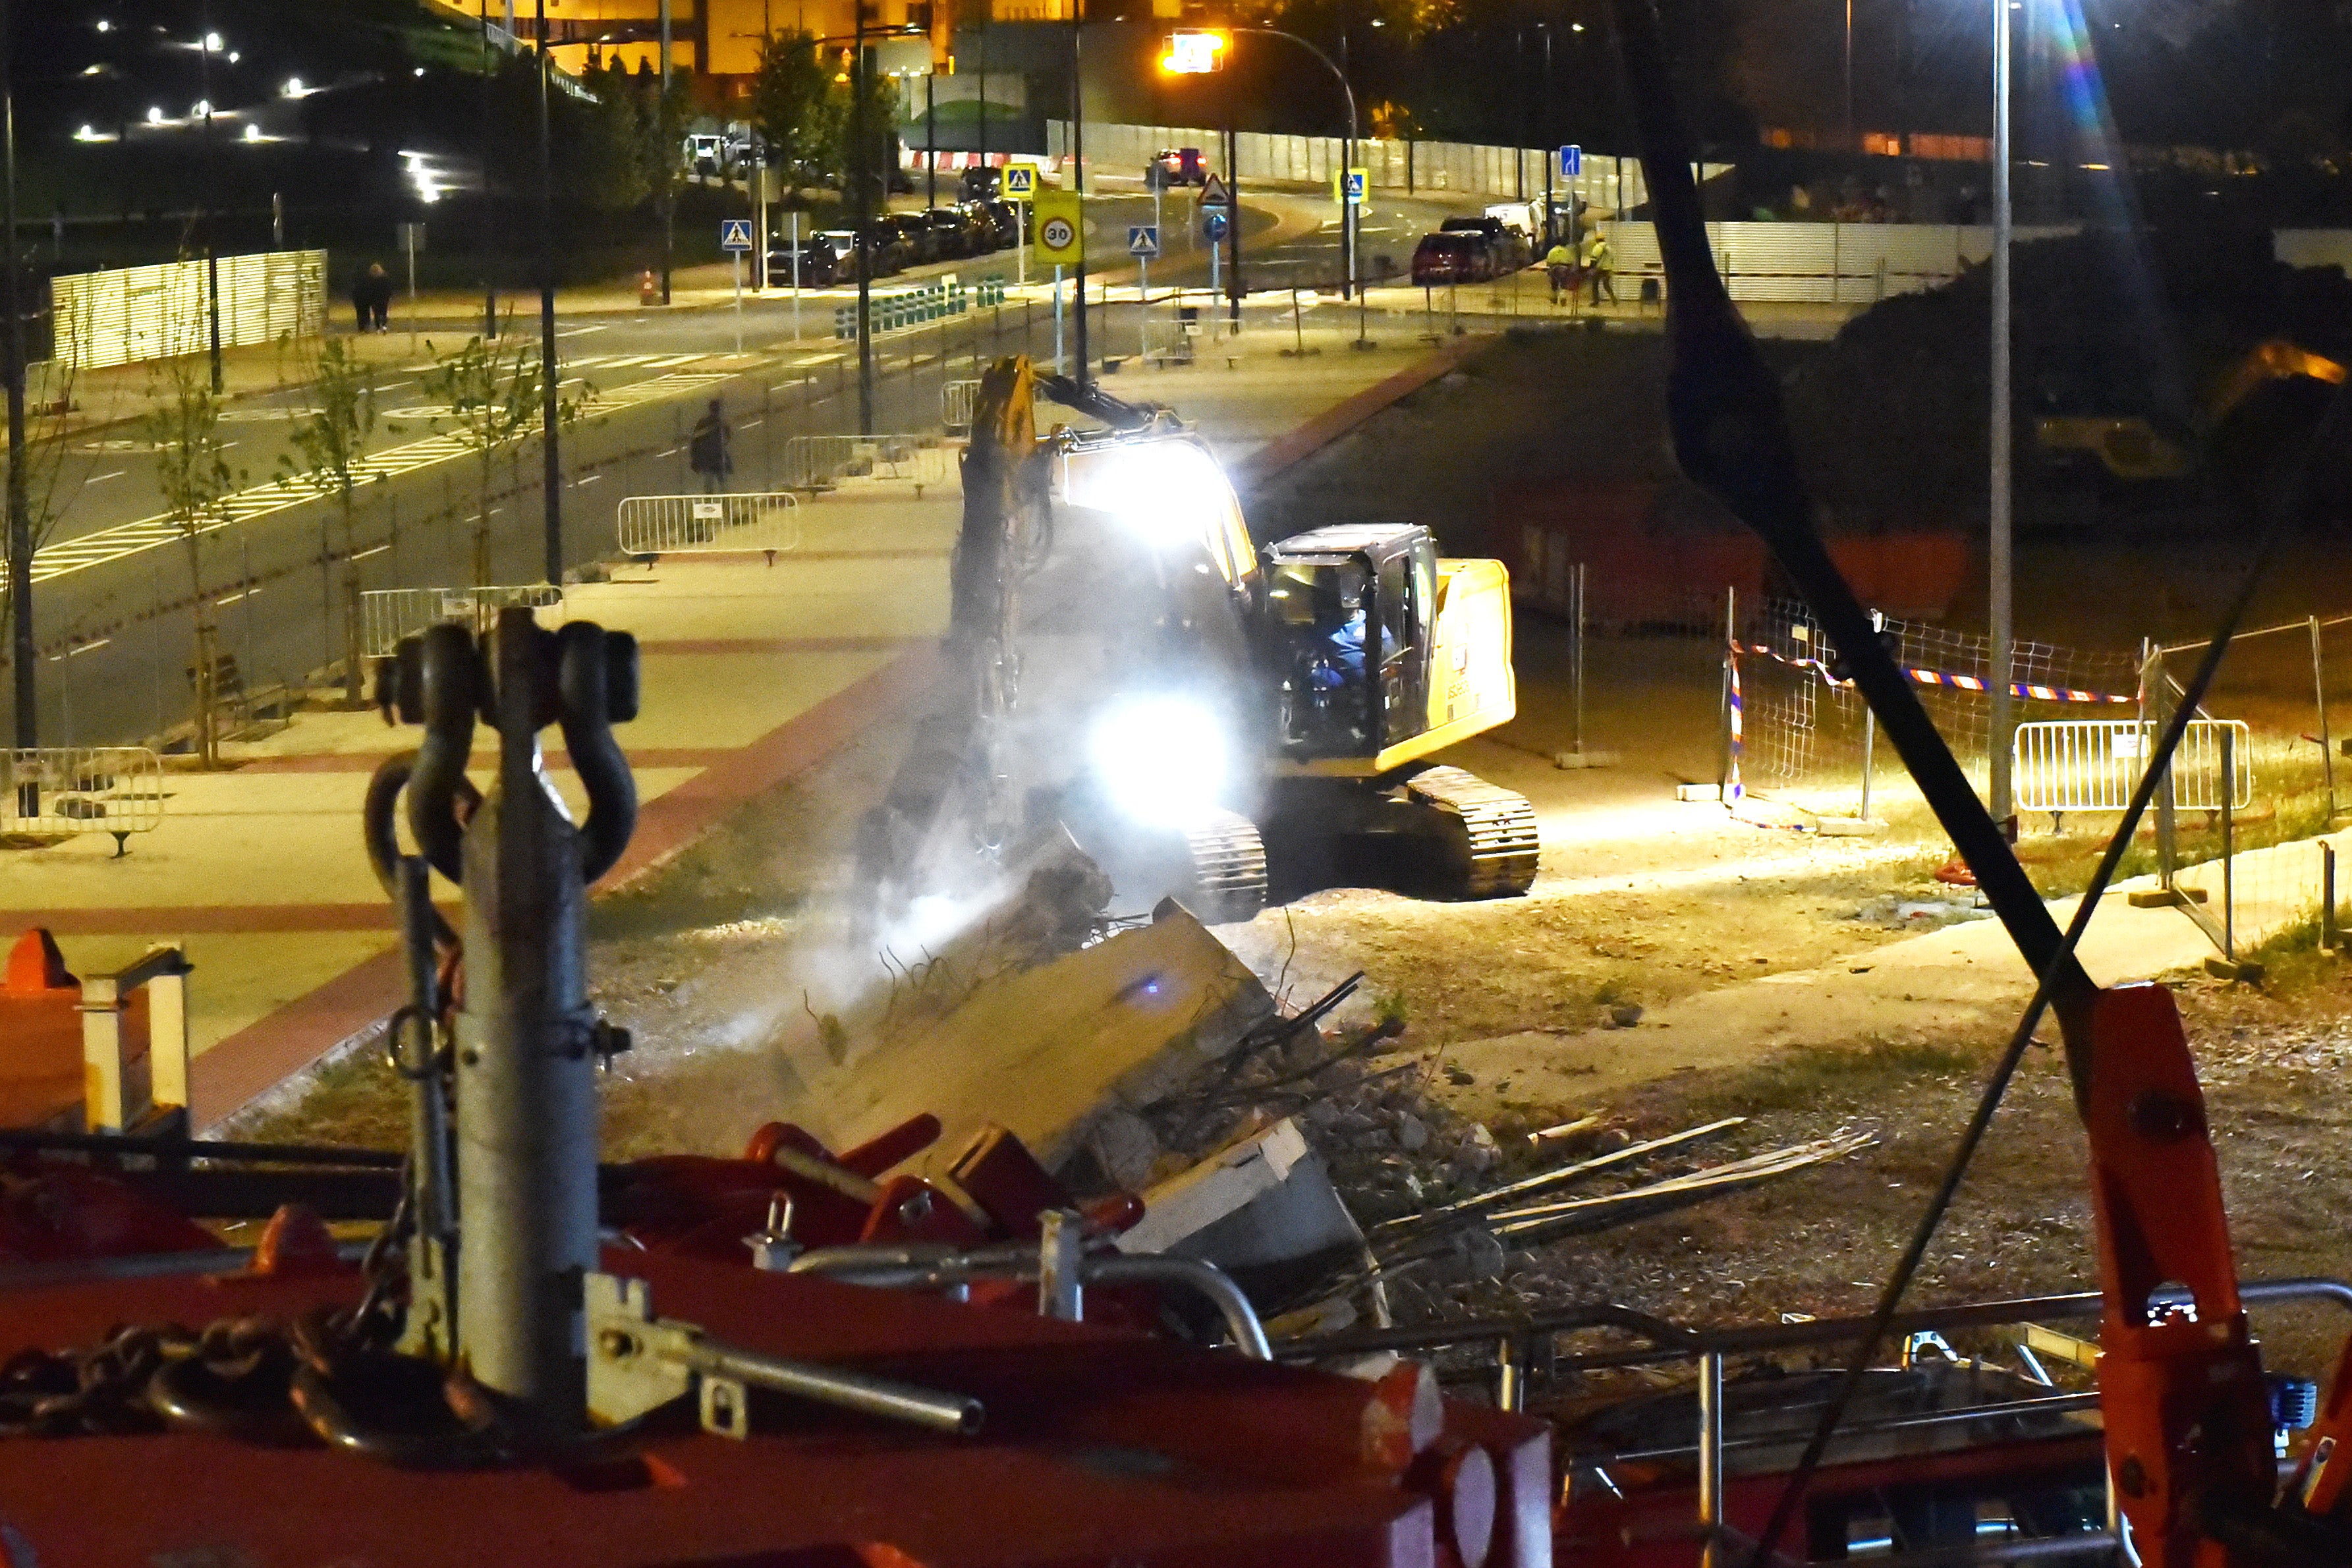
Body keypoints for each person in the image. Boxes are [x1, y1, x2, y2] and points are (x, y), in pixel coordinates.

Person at [688, 399, 733, 494]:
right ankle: (724, 505)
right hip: (719, 458)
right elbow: (727, 439)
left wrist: (694, 458)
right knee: (722, 484)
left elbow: (695, 441)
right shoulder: (721, 423)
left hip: (707, 459)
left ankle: (710, 505)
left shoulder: (703, 422)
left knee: (709, 485)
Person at [1582, 231, 1617, 307]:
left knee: (1595, 284)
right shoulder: (1609, 248)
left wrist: (1590, 268)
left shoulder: (1598, 247)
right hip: (1608, 269)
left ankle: (1596, 302)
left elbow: (1593, 259)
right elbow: (1612, 259)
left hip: (1600, 269)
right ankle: (1614, 299)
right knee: (1606, 285)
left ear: (1597, 240)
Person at [1544, 237, 1575, 306]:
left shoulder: (1552, 251)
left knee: (1554, 283)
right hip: (1564, 268)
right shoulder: (1567, 251)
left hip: (1554, 268)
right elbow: (1571, 262)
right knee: (1564, 284)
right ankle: (1563, 297)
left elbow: (1549, 262)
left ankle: (1554, 298)